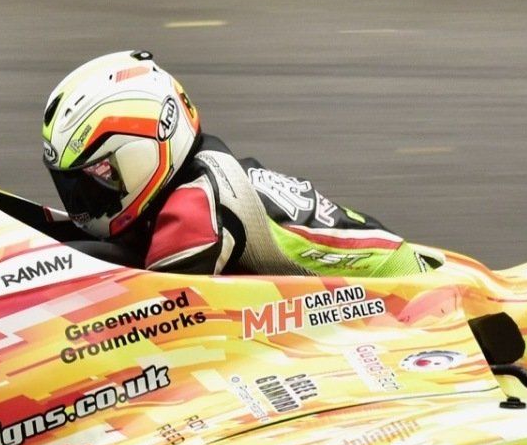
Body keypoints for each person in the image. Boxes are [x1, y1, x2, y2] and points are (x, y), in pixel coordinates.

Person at [40, 50, 424, 277]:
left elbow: (146, 317)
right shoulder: (194, 174)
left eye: (95, 180)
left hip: (402, 296)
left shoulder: (192, 210)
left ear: (143, 154)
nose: (82, 204)